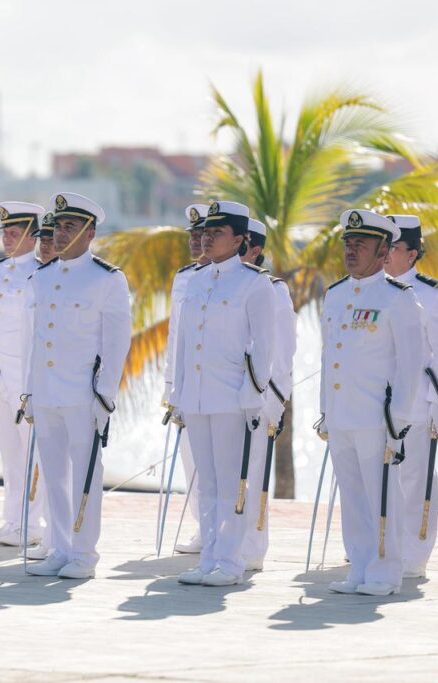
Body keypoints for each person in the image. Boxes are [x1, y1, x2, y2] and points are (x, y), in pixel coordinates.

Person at [22, 192, 131, 579]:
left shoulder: (107, 279)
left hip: (83, 394)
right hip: (48, 392)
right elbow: (36, 340)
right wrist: (31, 392)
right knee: (53, 475)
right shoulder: (43, 277)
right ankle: (61, 546)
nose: (61, 233)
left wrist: (105, 395)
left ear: (90, 233)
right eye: (59, 226)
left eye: (70, 226)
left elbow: (116, 343)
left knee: (86, 474)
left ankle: (84, 553)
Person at [169, 200, 275, 587]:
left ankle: (230, 561)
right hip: (197, 396)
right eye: (206, 233)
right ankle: (209, 557)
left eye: (217, 233)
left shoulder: (254, 283)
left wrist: (253, 395)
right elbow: (183, 343)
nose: (208, 239)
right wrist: (179, 393)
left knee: (233, 484)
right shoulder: (196, 281)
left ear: (240, 240)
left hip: (232, 397)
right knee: (208, 483)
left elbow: (264, 347)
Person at [318, 208, 424, 596]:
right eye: (348, 242)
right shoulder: (335, 294)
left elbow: (412, 366)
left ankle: (384, 572)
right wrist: (325, 412)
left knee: (383, 498)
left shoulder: (398, 298)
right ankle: (360, 567)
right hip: (342, 415)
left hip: (377, 418)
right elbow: (329, 358)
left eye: (361, 243)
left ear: (384, 253)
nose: (351, 249)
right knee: (352, 496)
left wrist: (399, 422)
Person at [384, 214, 438, 578]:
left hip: (417, 405)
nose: (385, 254)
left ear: (412, 254)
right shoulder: (371, 290)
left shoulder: (432, 295)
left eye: (393, 248)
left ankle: (415, 553)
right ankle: (386, 545)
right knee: (381, 481)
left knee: (415, 480)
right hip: (379, 407)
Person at [0, 201, 48, 551]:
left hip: (25, 377)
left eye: (14, 232)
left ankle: (33, 522)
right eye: (4, 232)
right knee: (9, 454)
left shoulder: (43, 272)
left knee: (33, 454)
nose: (7, 238)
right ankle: (12, 520)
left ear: (33, 236)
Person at [239, 218, 297, 571]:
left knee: (254, 473)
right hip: (229, 398)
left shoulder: (273, 289)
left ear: (254, 250)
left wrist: (276, 400)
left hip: (261, 398)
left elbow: (283, 351)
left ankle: (254, 547)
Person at [165, 204, 211, 554]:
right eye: (193, 236)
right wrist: (171, 387)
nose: (196, 242)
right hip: (184, 385)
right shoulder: (183, 277)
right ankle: (203, 526)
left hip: (216, 386)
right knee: (191, 461)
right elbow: (175, 336)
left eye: (203, 235)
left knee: (219, 466)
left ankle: (223, 532)